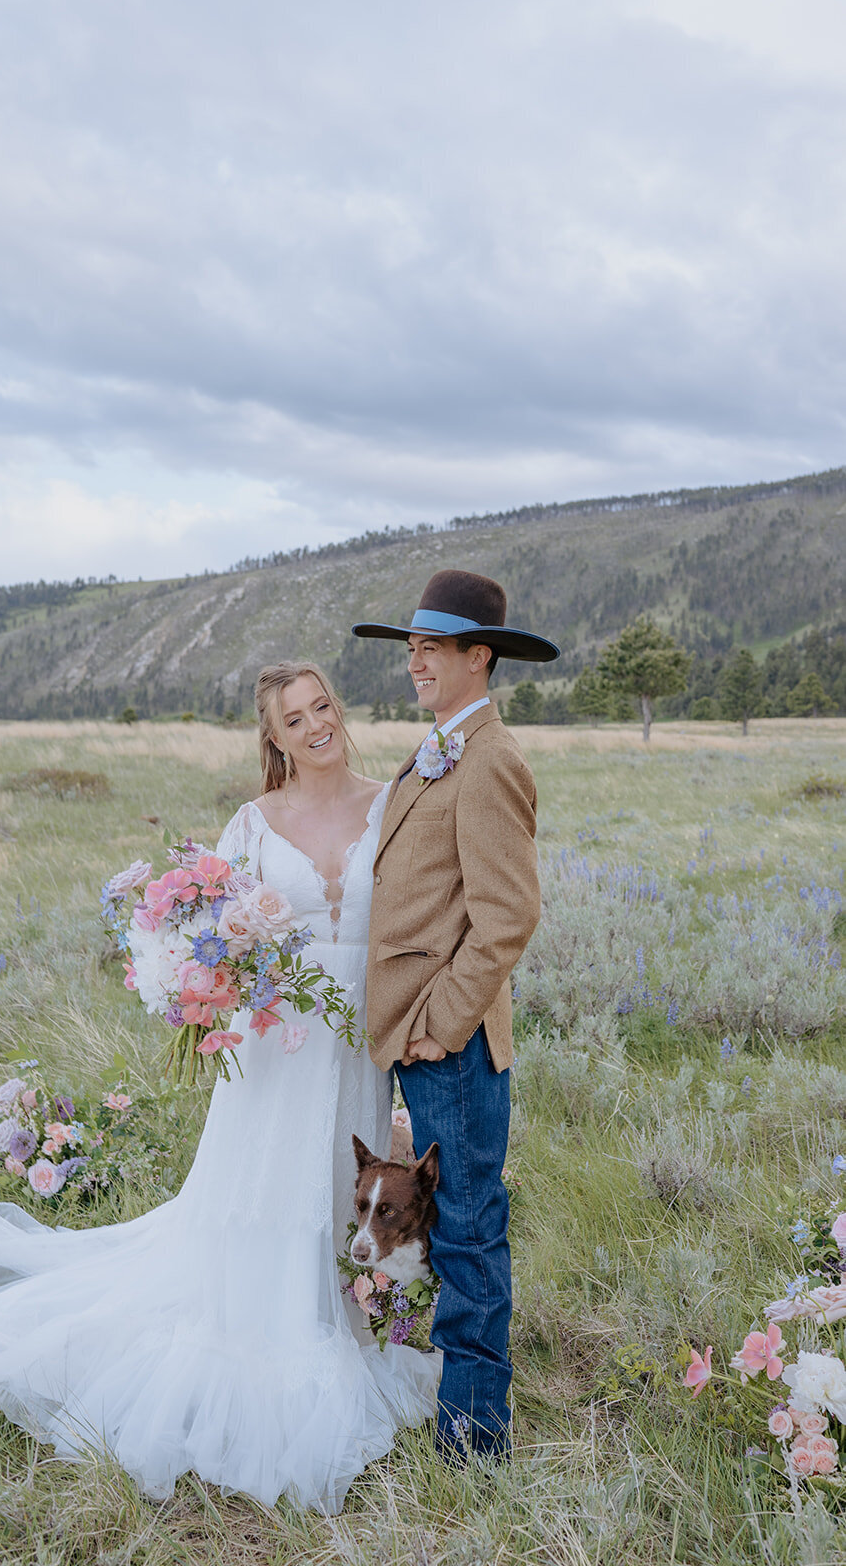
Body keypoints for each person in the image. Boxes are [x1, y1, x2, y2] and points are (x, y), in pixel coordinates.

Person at [0, 661, 439, 1515]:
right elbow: (200, 932)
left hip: (357, 1040)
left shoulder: (389, 804)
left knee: (333, 1181)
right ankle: (266, 1326)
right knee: (268, 1187)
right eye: (294, 718)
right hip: (278, 1049)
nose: (317, 726)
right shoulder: (252, 822)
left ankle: (341, 1309)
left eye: (324, 707)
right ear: (271, 736)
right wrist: (208, 987)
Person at [352, 569, 559, 1461]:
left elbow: (508, 913)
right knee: (458, 1225)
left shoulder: (492, 759)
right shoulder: (440, 744)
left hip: (454, 1041)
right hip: (417, 1031)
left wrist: (442, 1017)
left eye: (432, 648)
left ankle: (474, 1436)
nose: (415, 663)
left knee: (469, 1226)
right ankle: (458, 1407)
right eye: (411, 648)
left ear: (482, 658)